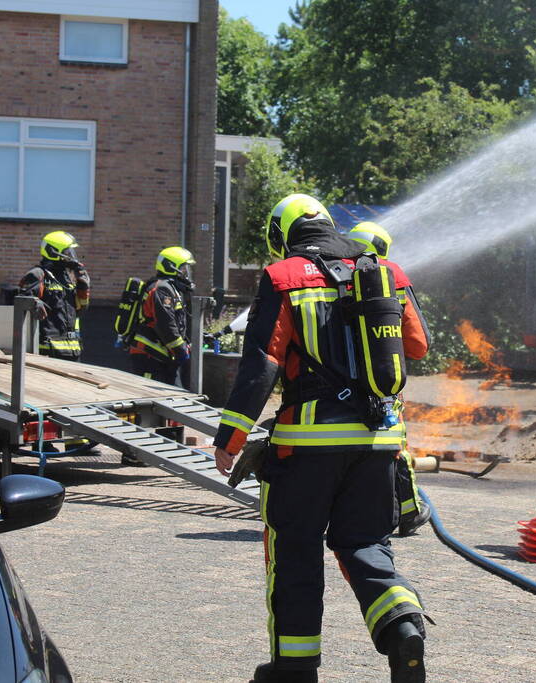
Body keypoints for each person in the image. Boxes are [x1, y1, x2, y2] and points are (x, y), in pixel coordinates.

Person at [214, 194, 432, 683]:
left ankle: (294, 668)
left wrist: (229, 439)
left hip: (304, 447)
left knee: (295, 551)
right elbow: (417, 345)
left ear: (282, 234)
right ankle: (402, 627)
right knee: (366, 544)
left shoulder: (282, 277)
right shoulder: (386, 272)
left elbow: (261, 366)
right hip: (378, 442)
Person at [348, 221, 432, 537]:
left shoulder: (327, 273)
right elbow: (419, 345)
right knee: (394, 445)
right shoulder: (391, 275)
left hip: (333, 390)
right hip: (380, 383)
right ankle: (409, 512)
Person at [127, 246, 195, 388]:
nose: (186, 273)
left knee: (174, 396)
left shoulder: (171, 288)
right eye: (183, 268)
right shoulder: (161, 289)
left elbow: (176, 322)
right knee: (152, 400)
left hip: (162, 356)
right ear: (172, 267)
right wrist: (181, 350)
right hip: (150, 356)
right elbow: (166, 324)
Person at [18, 231, 90, 361]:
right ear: (53, 252)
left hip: (72, 351)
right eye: (67, 253)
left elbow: (80, 311)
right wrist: (34, 302)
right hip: (48, 351)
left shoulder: (67, 278)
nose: (71, 257)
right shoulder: (38, 275)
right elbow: (19, 303)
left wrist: (83, 288)